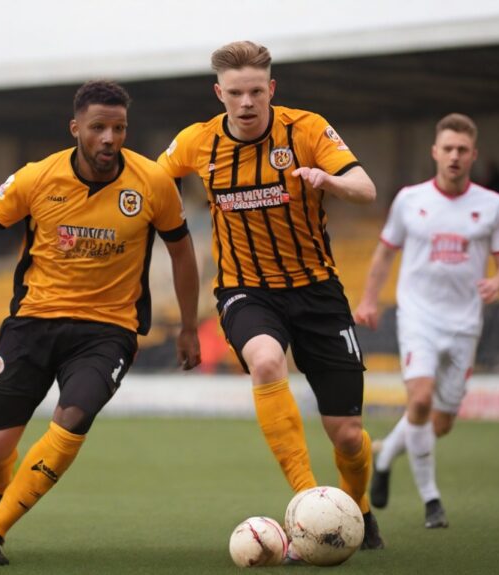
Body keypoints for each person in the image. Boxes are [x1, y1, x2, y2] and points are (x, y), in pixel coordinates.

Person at [0, 79, 202, 566]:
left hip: (108, 330)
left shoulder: (153, 182)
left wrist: (186, 326)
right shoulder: (38, 177)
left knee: (72, 419)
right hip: (33, 323)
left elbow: (181, 252)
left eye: (118, 128)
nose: (109, 139)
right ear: (75, 127)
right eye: (98, 127)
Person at [156, 41, 384, 550]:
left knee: (347, 435)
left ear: (271, 89)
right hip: (245, 289)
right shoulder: (196, 142)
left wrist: (329, 179)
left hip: (318, 292)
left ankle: (359, 507)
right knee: (264, 362)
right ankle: (309, 505)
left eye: (256, 90)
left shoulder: (305, 129)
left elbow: (366, 188)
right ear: (219, 93)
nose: (246, 102)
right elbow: (150, 178)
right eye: (235, 92)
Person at [354, 113, 499, 529]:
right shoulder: (410, 199)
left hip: (464, 324)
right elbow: (385, 252)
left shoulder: (492, 206)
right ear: (435, 152)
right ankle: (432, 501)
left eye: (462, 150)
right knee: (420, 401)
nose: (455, 156)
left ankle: (386, 454)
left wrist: (498, 280)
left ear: (474, 155)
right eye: (448, 148)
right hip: (418, 318)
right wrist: (370, 299)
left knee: (439, 423)